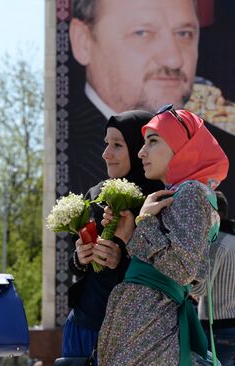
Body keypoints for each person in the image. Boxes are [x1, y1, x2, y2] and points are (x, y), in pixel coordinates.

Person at [64, 0, 235, 214]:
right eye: (142, 33)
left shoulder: (222, 159)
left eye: (184, 34)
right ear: (83, 41)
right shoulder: (68, 160)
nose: (173, 59)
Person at [97, 107, 229, 365]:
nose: (141, 152)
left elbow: (182, 271)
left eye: (153, 141)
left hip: (151, 327)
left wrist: (144, 222)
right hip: (146, 324)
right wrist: (129, 234)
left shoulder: (191, 192)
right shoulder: (181, 193)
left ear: (182, 147)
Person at [63, 110, 163, 359]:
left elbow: (169, 271)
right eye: (106, 143)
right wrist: (80, 257)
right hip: (84, 326)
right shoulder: (95, 194)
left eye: (117, 145)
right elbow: (75, 266)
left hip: (136, 333)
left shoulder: (159, 200)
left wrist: (124, 257)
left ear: (139, 148)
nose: (106, 154)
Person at [193, 191, 235, 365]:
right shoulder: (232, 239)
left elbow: (202, 289)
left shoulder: (217, 244)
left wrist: (180, 280)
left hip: (217, 329)